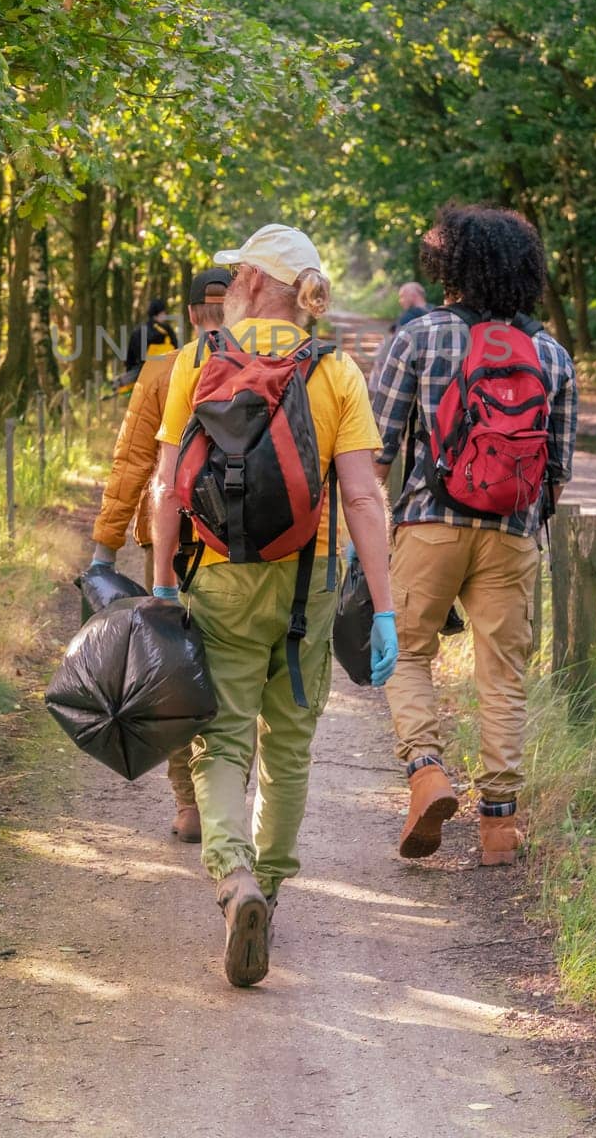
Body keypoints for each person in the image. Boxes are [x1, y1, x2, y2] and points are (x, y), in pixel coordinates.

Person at [151, 223, 398, 989]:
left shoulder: (197, 359)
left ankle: (233, 883)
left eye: (236, 277)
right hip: (307, 583)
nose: (227, 289)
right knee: (287, 748)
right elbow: (361, 494)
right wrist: (384, 609)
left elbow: (166, 485)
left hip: (216, 575)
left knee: (221, 738)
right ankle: (273, 891)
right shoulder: (333, 370)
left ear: (256, 282)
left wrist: (162, 581)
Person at [371, 204, 577, 866]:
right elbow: (558, 470)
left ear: (447, 266)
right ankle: (497, 826)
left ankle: (426, 771)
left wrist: (364, 541)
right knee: (502, 675)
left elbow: (375, 450)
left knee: (405, 651)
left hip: (429, 522)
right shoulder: (549, 353)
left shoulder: (417, 337)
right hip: (513, 533)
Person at [91, 267, 231, 841]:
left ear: (191, 313)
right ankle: (227, 797)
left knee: (176, 672)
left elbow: (130, 465)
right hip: (239, 548)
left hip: (170, 546)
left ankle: (189, 802)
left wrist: (104, 550)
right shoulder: (273, 368)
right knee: (235, 677)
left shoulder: (161, 370)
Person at [121, 297, 179, 387]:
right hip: (167, 377)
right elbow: (177, 351)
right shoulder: (167, 331)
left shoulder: (138, 331)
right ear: (161, 313)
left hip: (142, 377)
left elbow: (130, 360)